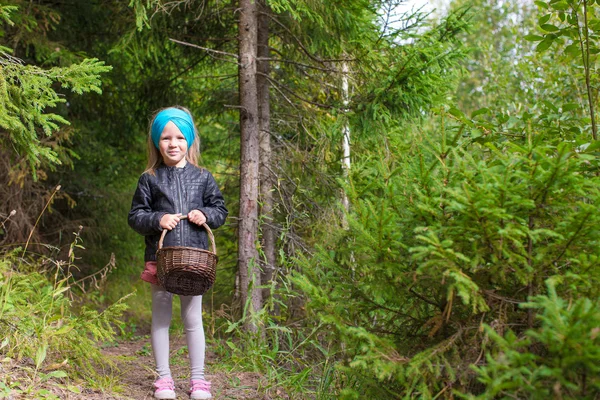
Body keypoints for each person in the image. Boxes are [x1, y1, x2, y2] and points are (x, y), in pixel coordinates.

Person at [128, 106, 228, 400]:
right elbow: (136, 216)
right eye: (166, 138)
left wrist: (204, 214)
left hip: (193, 261)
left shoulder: (204, 177)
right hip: (162, 259)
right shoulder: (150, 178)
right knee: (161, 317)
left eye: (180, 137)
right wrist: (157, 219)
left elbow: (220, 211)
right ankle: (164, 379)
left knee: (192, 318)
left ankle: (198, 380)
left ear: (190, 140)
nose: (173, 144)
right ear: (157, 143)